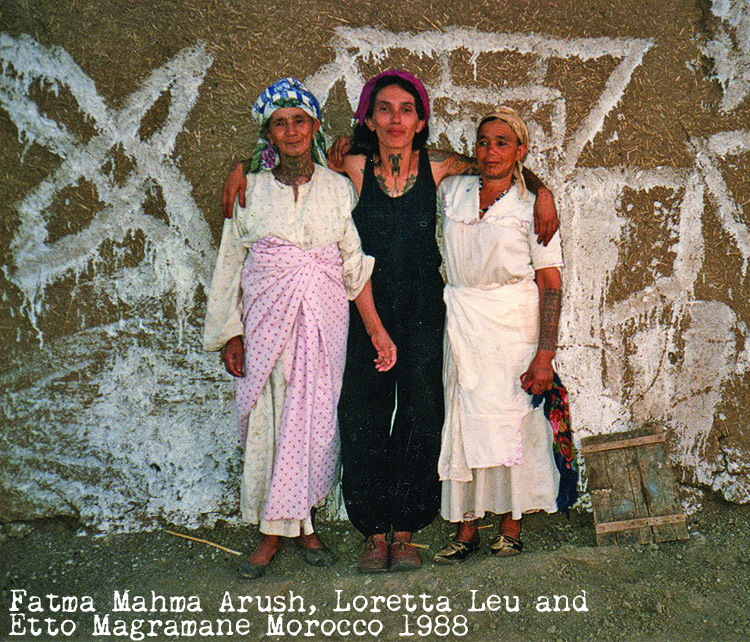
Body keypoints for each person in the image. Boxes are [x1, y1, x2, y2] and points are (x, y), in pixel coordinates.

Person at [220, 70, 560, 573]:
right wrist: (239, 166)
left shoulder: (439, 166)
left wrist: (543, 188)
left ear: (420, 119)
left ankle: (406, 529)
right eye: (384, 109)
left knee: (422, 411)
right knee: (364, 413)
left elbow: (499, 163)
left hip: (425, 306)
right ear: (369, 118)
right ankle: (373, 531)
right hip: (363, 306)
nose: (395, 119)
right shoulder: (350, 167)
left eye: (405, 109)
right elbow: (286, 156)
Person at [203, 78, 396, 579]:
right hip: (267, 324)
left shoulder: (336, 188)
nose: (291, 132)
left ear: (313, 127)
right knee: (271, 421)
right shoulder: (250, 189)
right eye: (280, 123)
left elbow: (352, 264)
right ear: (267, 133)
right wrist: (230, 332)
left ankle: (304, 523)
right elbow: (230, 263)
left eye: (300, 121)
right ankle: (270, 533)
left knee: (311, 422)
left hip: (322, 322)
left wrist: (375, 331)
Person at [432, 107, 563, 563]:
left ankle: (511, 524)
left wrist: (544, 355)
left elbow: (551, 283)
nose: (491, 151)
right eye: (483, 141)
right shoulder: (452, 191)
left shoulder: (532, 209)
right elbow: (419, 156)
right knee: (465, 418)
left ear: (521, 151)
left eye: (503, 142)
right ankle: (466, 526)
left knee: (514, 421)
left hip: (514, 324)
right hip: (463, 318)